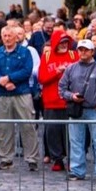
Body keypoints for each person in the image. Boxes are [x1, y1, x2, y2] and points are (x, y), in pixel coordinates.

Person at [0, 25, 39, 172]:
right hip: (3, 94)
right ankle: (6, 158)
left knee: (28, 126)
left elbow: (27, 70)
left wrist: (10, 79)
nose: (7, 38)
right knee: (4, 127)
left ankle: (32, 158)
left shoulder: (25, 52)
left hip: (21, 92)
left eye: (10, 36)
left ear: (16, 37)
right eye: (4, 36)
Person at [58, 39, 96, 182]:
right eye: (80, 50)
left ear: (92, 51)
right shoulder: (71, 68)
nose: (82, 52)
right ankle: (77, 171)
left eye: (86, 50)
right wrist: (71, 96)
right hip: (76, 110)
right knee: (76, 141)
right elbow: (61, 88)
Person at [37, 28, 77, 172]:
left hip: (69, 101)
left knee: (70, 132)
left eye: (66, 42)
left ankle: (73, 159)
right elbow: (41, 78)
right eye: (61, 42)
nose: (64, 44)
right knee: (52, 131)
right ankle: (57, 159)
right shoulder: (47, 57)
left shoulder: (74, 55)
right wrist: (57, 71)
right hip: (51, 101)